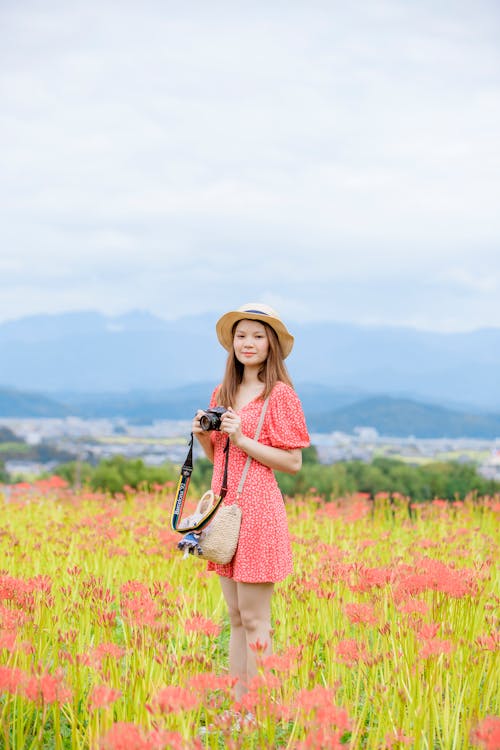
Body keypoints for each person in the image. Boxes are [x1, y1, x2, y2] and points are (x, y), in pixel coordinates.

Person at [192, 302, 310, 701]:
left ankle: (259, 713)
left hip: (259, 510)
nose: (248, 343)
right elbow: (222, 460)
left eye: (258, 335)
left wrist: (242, 438)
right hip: (224, 512)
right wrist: (205, 438)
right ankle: (238, 707)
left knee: (257, 618)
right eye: (241, 335)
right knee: (236, 617)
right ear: (232, 343)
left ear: (271, 343)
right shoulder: (223, 392)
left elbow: (292, 462)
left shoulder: (281, 396)